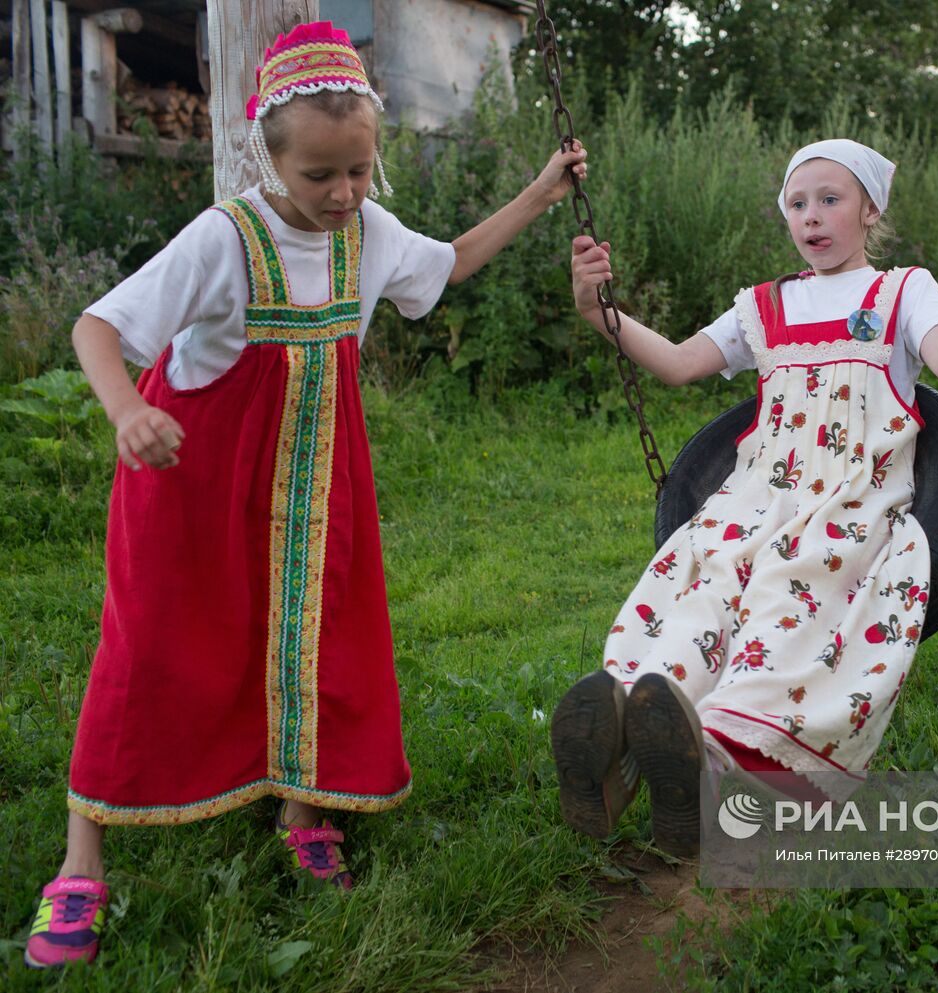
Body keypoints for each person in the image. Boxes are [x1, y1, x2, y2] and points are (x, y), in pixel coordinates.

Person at [23, 21, 586, 969]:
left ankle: (300, 806)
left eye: (359, 171)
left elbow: (446, 265)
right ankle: (81, 861)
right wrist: (125, 412)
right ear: (269, 157)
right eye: (320, 175)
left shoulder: (372, 233)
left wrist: (539, 192)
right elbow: (97, 326)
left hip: (318, 483)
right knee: (150, 647)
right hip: (191, 485)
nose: (343, 194)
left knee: (311, 632)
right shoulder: (226, 237)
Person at [551, 139, 938, 857]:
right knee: (701, 584)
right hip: (757, 497)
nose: (812, 216)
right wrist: (595, 310)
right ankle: (629, 726)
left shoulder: (902, 291)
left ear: (870, 208)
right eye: (798, 203)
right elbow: (676, 363)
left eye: (830, 199)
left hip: (849, 500)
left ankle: (725, 748)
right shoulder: (765, 305)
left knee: (785, 596)